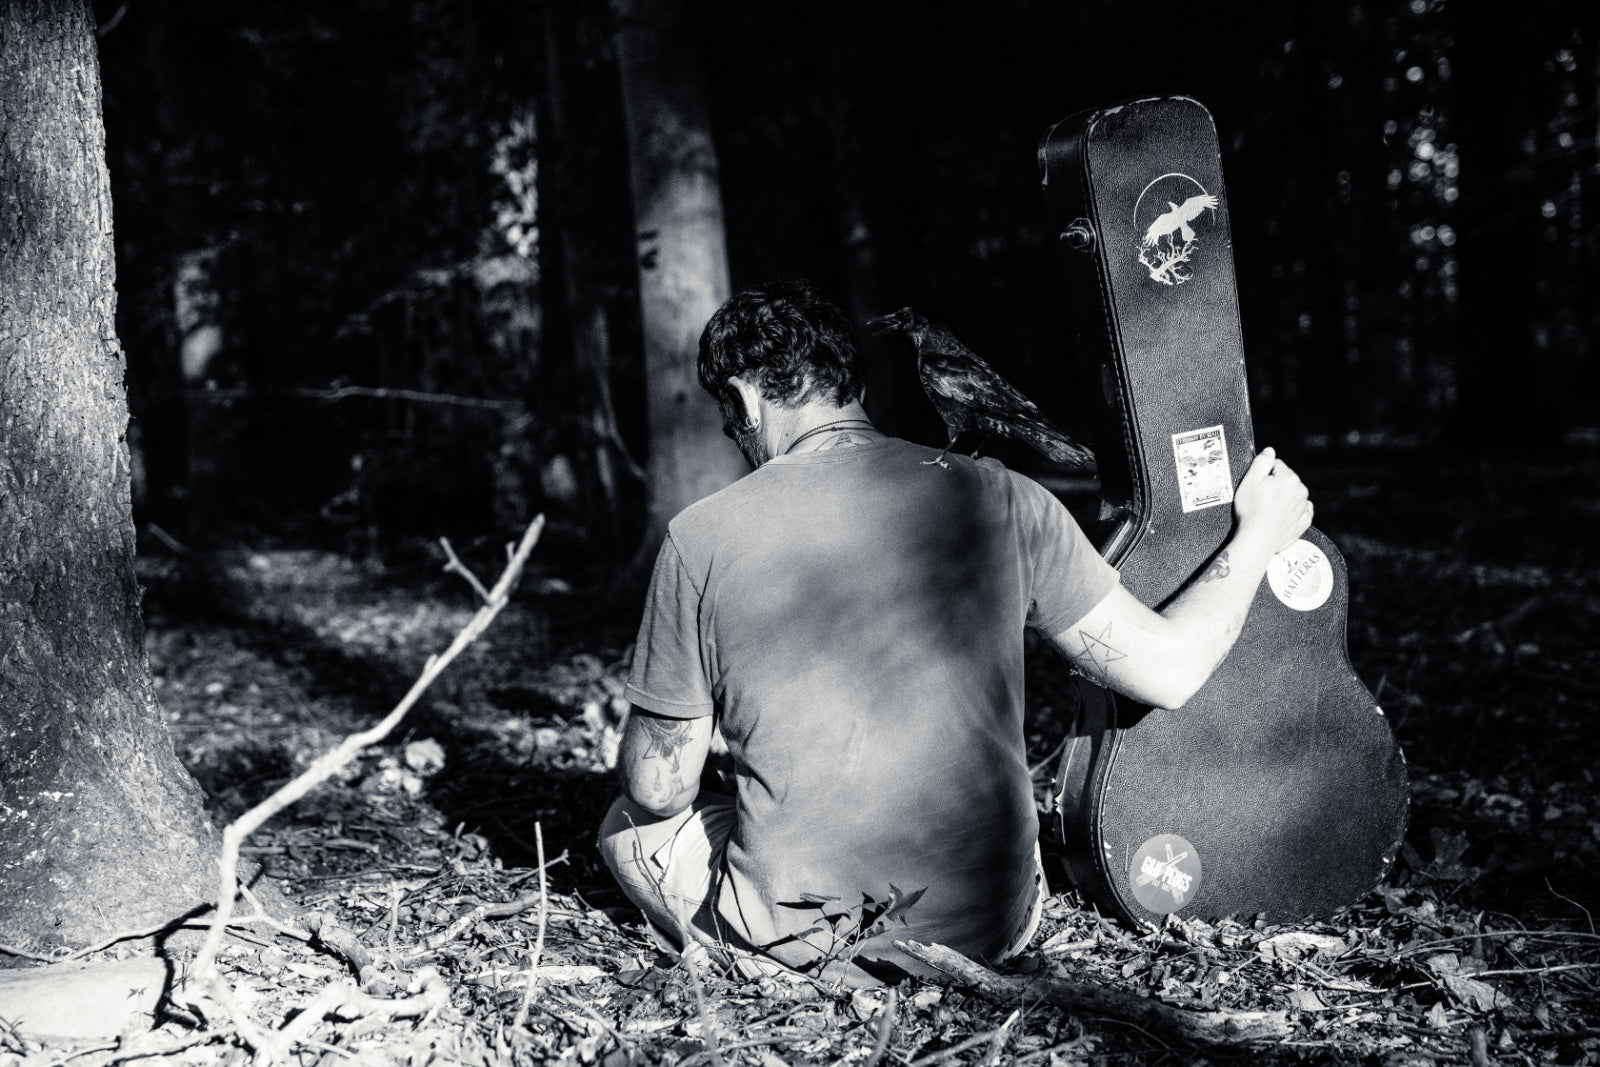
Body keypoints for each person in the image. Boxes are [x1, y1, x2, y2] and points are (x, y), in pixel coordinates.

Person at [597, 278, 1312, 987]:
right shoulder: (1000, 496)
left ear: (748, 399)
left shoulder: (702, 535)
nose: (737, 441)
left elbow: (658, 788)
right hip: (991, 925)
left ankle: (753, 956)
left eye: (731, 421)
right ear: (851, 387)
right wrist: (1257, 537)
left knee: (627, 826)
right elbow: (1172, 669)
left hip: (802, 937)